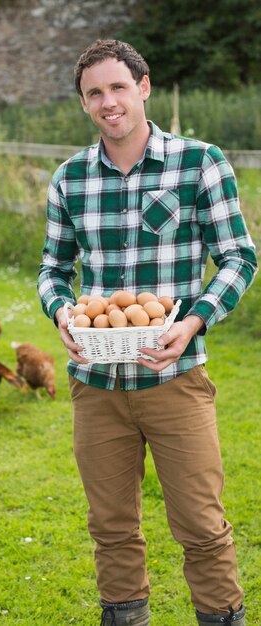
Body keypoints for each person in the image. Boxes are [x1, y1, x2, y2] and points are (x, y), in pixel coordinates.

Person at [37, 39, 258, 626]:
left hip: (176, 380)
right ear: (83, 104)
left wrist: (193, 322)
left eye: (116, 87)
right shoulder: (71, 177)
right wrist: (62, 311)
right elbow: (53, 270)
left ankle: (220, 617)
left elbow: (239, 257)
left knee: (202, 525)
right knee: (110, 527)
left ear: (144, 86)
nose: (108, 102)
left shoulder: (199, 162)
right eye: (94, 93)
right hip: (96, 381)